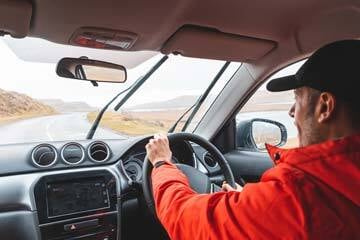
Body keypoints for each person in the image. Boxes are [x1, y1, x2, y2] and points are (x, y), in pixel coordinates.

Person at [145, 40, 360, 239]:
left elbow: (184, 218)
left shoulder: (297, 198)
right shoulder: (320, 194)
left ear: (325, 107)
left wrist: (162, 163)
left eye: (298, 99)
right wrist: (251, 204)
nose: (292, 112)